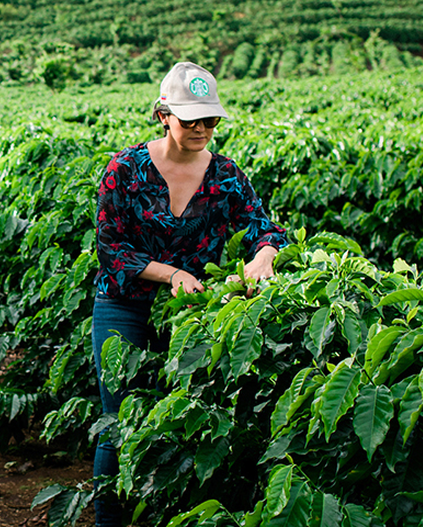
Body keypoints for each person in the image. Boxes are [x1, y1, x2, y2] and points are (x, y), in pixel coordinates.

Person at [90, 61, 287, 527]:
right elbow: (111, 248)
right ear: (163, 116)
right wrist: (170, 273)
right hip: (125, 303)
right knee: (118, 419)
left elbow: (264, 227)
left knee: (187, 418)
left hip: (192, 312)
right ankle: (108, 521)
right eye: (190, 119)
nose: (201, 129)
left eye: (210, 120)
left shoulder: (226, 175)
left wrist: (264, 256)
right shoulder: (126, 169)